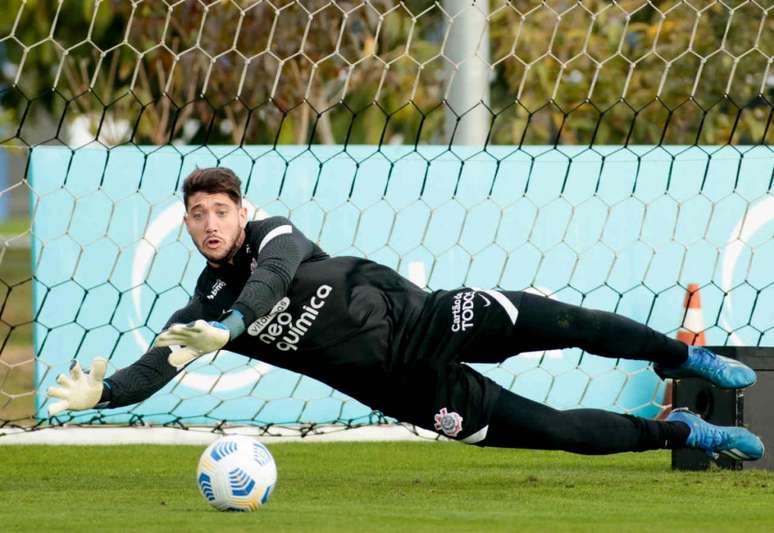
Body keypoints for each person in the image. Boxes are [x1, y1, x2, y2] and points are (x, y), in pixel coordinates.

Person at [47, 167, 764, 460]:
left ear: (241, 212)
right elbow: (156, 366)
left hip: (431, 318)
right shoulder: (199, 308)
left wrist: (231, 330)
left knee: (563, 321)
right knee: (555, 431)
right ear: (186, 225)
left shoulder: (276, 236)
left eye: (219, 211)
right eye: (196, 215)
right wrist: (105, 392)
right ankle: (682, 430)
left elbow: (267, 283)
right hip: (406, 388)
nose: (209, 223)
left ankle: (679, 354)